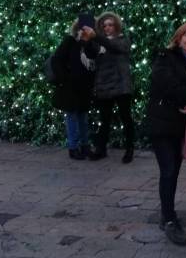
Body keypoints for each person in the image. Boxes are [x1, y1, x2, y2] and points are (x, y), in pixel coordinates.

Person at [145, 22, 186, 245]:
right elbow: (166, 85)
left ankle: (167, 213)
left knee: (174, 170)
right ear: (179, 37)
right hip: (162, 123)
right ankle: (169, 219)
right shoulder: (165, 56)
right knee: (169, 170)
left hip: (180, 125)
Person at [51, 12, 99, 160]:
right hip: (71, 86)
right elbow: (57, 60)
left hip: (85, 86)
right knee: (72, 117)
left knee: (83, 117)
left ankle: (85, 146)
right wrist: (64, 78)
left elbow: (93, 58)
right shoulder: (70, 41)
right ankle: (73, 147)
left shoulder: (91, 43)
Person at [90, 11, 135, 164]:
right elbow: (91, 54)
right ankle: (101, 149)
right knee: (104, 119)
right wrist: (85, 40)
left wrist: (96, 37)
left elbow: (114, 46)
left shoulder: (123, 40)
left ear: (116, 26)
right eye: (105, 25)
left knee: (126, 118)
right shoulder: (99, 42)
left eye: (110, 25)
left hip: (121, 84)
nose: (108, 28)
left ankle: (129, 150)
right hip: (104, 84)